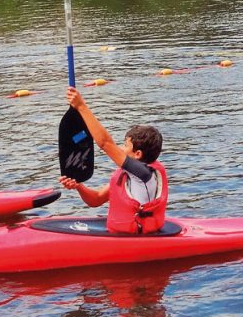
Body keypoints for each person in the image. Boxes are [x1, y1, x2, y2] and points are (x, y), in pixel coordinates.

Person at [58, 86, 168, 234]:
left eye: (125, 145)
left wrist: (81, 106)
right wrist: (78, 186)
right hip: (123, 234)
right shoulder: (130, 175)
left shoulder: (143, 174)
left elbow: (105, 143)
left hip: (137, 238)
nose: (121, 149)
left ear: (138, 154)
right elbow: (95, 200)